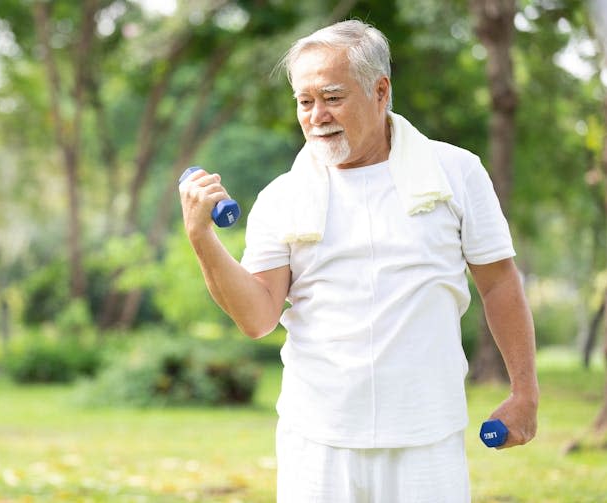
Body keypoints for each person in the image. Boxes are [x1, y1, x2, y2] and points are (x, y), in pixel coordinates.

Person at [178, 19, 538, 503]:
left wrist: (524, 392)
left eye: (332, 97)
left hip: (426, 435)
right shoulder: (281, 197)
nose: (316, 115)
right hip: (318, 439)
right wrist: (202, 237)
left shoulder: (457, 171)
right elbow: (258, 317)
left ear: (380, 90)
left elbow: (499, 285)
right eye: (305, 102)